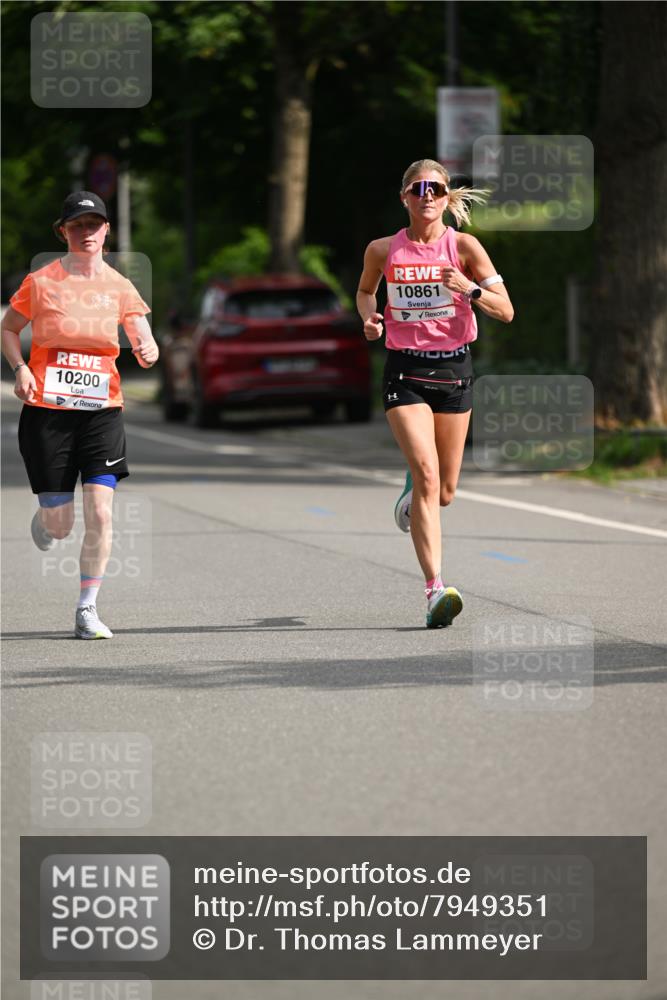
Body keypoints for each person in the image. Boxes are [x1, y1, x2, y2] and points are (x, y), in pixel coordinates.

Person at [356, 159, 514, 628]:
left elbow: (506, 311)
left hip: (455, 373)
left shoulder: (464, 246)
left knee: (442, 492)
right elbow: (366, 292)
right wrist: (368, 318)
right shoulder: (383, 249)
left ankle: (413, 493)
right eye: (418, 188)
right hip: (404, 373)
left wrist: (469, 290)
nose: (428, 195)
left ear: (447, 198)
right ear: (403, 196)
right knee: (427, 474)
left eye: (437, 189)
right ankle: (434, 590)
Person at [1, 191, 159, 639]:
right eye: (78, 225)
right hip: (47, 413)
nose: (86, 232)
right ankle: (48, 516)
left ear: (107, 230)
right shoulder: (42, 281)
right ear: (63, 232)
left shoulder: (119, 285)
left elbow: (142, 337)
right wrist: (20, 368)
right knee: (61, 523)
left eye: (94, 224)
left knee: (102, 513)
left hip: (101, 412)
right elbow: (9, 329)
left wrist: (148, 349)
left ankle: (87, 608)